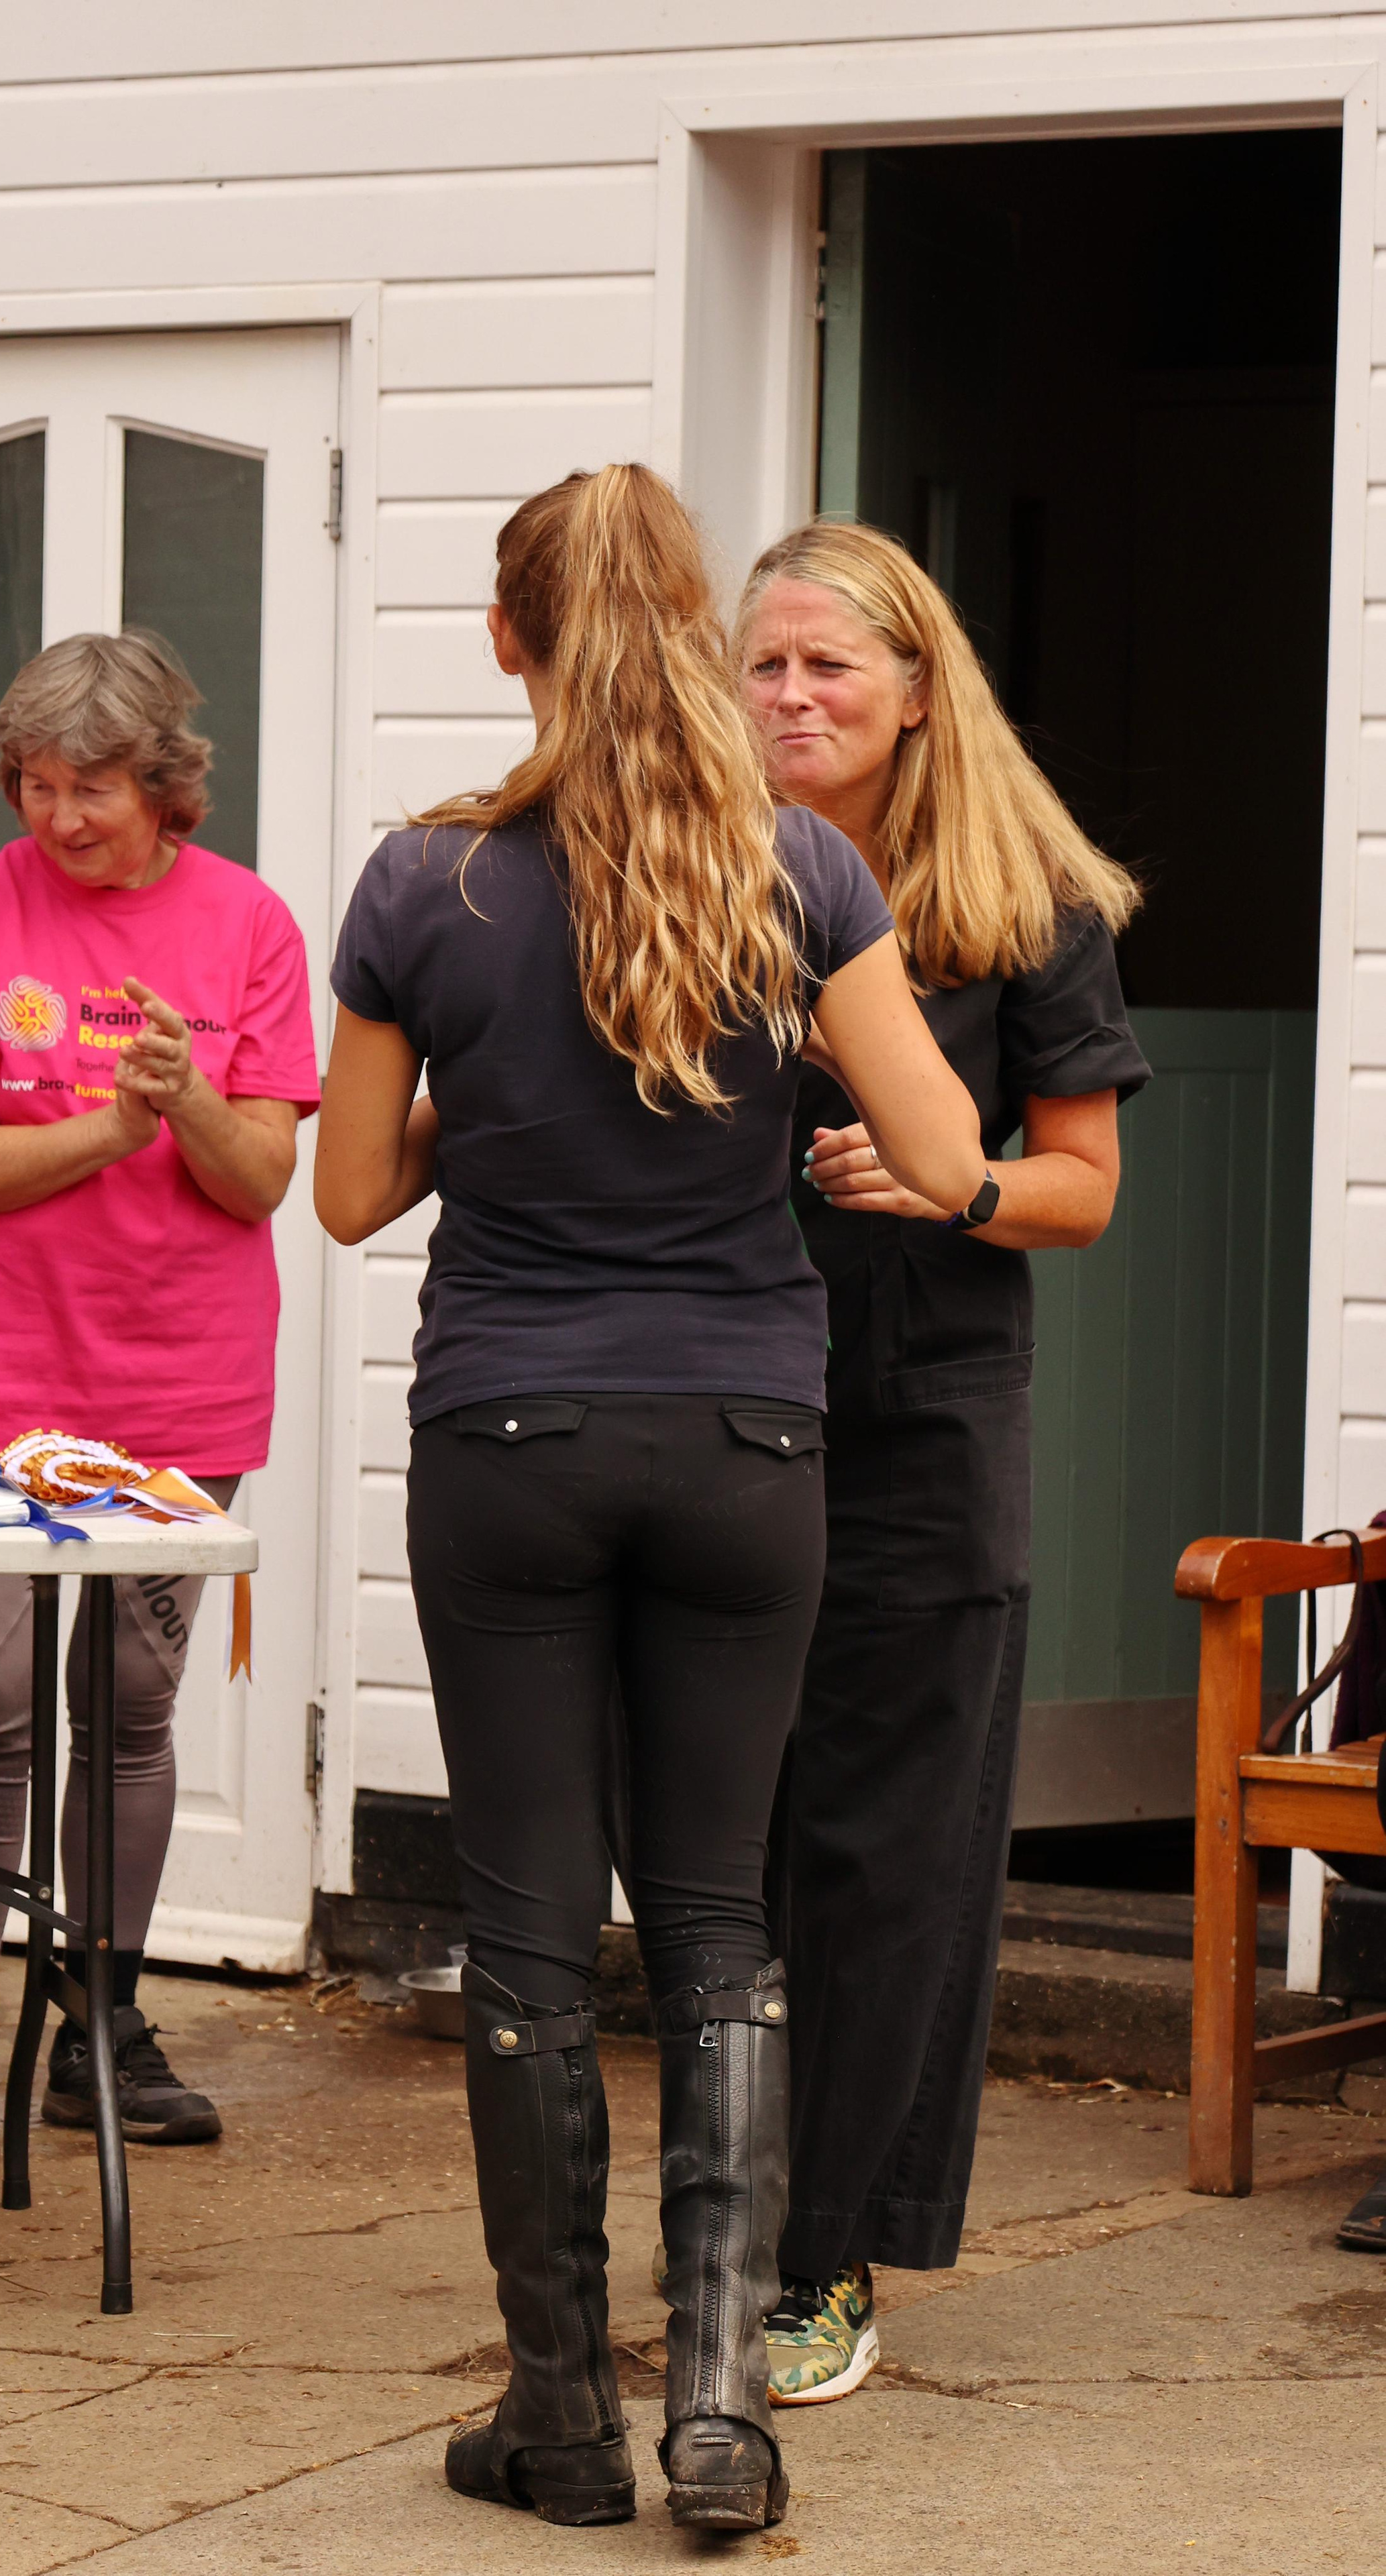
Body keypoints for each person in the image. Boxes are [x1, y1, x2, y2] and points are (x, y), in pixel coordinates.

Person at [315, 466, 988, 2532]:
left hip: (509, 1441)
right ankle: (720, 2406)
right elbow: (955, 1157)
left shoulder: (428, 886)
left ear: (512, 640)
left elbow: (346, 1195)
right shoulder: (796, 865)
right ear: (697, 630)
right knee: (718, 1919)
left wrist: (480, 1104)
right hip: (748, 1444)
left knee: (528, 1930)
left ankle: (553, 2417)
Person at [733, 520, 1151, 2403]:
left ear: (916, 690)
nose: (796, 696)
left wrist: (951, 1182)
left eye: (833, 666)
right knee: (720, 1843)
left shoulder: (1026, 898)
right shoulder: (697, 879)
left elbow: (1084, 1190)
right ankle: (717, 2215)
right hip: (716, 1412)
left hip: (922, 1423)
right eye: (765, 665)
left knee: (884, 1858)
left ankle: (829, 2263)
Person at [0, 630, 320, 2167]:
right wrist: (115, 1128)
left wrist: (185, 1101)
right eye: (40, 786)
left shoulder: (246, 924)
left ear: (166, 783)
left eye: (95, 788)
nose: (62, 818)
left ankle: (102, 2016)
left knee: (126, 1707)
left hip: (177, 1380)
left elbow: (264, 1181)